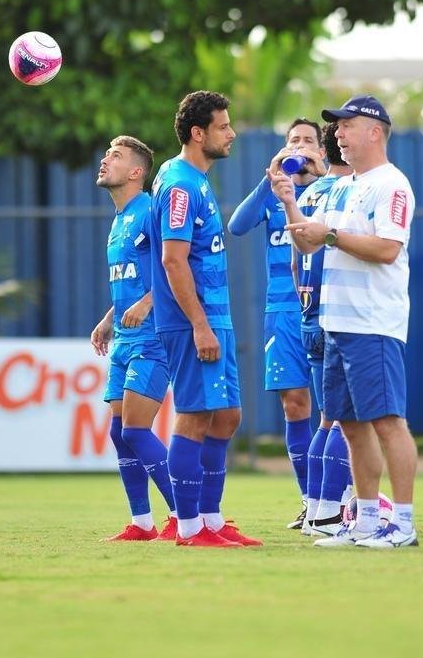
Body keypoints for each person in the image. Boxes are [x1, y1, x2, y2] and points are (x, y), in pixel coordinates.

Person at [268, 94, 418, 548]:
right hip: (336, 323)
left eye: (346, 126)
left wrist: (329, 233)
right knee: (350, 426)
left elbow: (388, 249)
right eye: (336, 127)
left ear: (375, 132)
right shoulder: (348, 186)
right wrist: (291, 204)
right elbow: (309, 245)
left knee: (388, 421)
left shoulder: (391, 184)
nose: (337, 134)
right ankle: (367, 520)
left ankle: (404, 523)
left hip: (372, 323)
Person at [150, 90, 262, 547]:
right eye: (223, 126)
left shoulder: (195, 178)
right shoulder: (179, 184)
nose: (231, 132)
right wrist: (198, 324)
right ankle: (189, 526)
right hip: (192, 321)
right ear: (199, 134)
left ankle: (211, 520)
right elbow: (173, 261)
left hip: (215, 316)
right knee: (195, 416)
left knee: (228, 416)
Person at [228, 118, 323, 531]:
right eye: (293, 140)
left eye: (308, 141)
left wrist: (320, 175)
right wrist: (270, 181)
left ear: (322, 149)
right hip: (282, 312)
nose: (299, 146)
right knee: (294, 403)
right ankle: (309, 502)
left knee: (336, 411)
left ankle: (341, 498)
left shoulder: (330, 190)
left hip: (326, 308)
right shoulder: (274, 193)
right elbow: (237, 225)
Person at [92, 135, 177, 542]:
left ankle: (184, 514)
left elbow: (177, 267)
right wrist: (109, 318)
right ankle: (142, 523)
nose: (106, 160)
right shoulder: (119, 218)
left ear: (136, 172)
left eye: (116, 156)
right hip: (125, 338)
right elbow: (131, 279)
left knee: (137, 430)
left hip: (152, 338)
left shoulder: (148, 211)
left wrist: (148, 303)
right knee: (118, 431)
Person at [292, 123, 354, 536]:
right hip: (339, 317)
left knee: (325, 420)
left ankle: (316, 508)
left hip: (309, 315)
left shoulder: (309, 193)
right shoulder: (351, 191)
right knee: (343, 420)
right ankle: (331, 512)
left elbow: (297, 259)